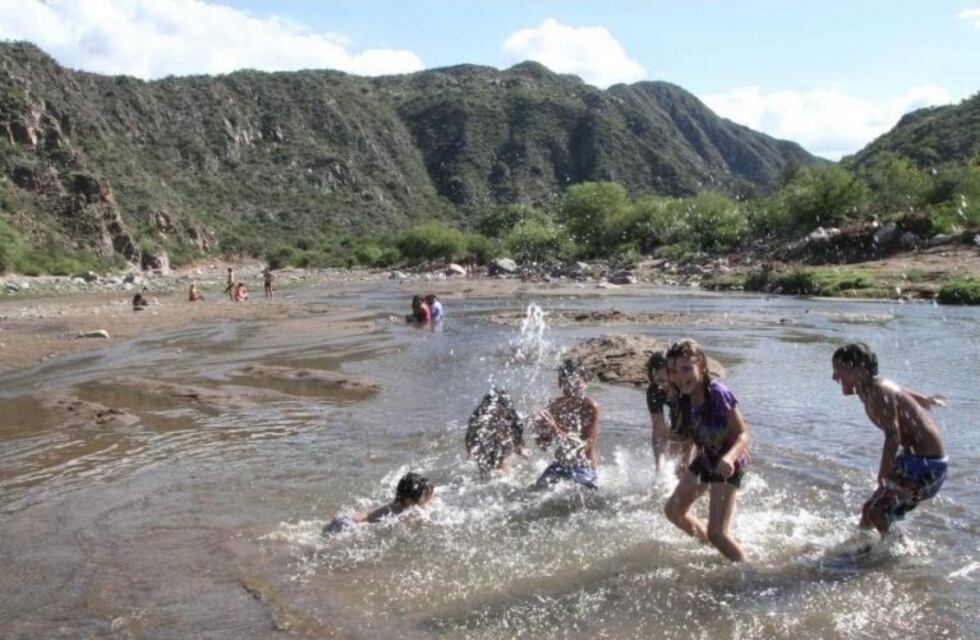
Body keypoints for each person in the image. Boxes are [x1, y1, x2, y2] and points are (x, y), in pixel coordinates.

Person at [831, 342, 948, 537]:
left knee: (879, 511)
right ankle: (861, 546)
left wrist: (884, 472)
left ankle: (899, 549)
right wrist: (923, 399)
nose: (834, 377)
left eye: (839, 370)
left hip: (927, 467)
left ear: (860, 369)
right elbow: (898, 390)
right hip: (913, 461)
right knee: (869, 511)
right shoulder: (871, 386)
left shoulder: (877, 392)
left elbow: (893, 436)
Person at [663, 339, 750, 562]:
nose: (680, 376)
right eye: (673, 371)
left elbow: (743, 434)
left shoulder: (717, 393)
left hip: (729, 461)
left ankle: (751, 570)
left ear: (701, 366)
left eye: (686, 368)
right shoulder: (682, 398)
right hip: (706, 458)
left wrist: (729, 458)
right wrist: (685, 462)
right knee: (673, 511)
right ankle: (714, 547)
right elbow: (691, 436)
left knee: (718, 533)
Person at [532, 358, 600, 490]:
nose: (573, 387)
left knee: (581, 496)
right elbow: (543, 446)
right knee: (534, 492)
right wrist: (539, 430)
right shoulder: (554, 405)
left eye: (577, 382)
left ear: (585, 382)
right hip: (559, 465)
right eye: (568, 382)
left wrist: (555, 429)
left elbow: (584, 445)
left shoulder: (590, 406)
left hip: (583, 466)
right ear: (560, 382)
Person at [323, 472, 435, 534]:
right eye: (426, 496)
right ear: (409, 500)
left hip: (346, 517)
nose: (429, 498)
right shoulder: (408, 512)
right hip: (349, 526)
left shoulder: (396, 503)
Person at [646, 351, 693, 476]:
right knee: (672, 458)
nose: (663, 387)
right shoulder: (654, 390)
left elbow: (692, 434)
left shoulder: (687, 390)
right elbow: (658, 429)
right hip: (677, 409)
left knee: (683, 467)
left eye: (669, 381)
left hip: (701, 418)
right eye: (660, 380)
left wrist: (684, 462)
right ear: (653, 375)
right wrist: (659, 467)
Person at [466, 388, 528, 474]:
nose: (496, 417)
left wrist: (521, 449)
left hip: (503, 436)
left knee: (502, 458)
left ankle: (505, 475)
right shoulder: (478, 419)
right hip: (485, 437)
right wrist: (470, 450)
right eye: (494, 414)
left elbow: (517, 433)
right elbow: (470, 438)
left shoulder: (510, 419)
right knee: (484, 462)